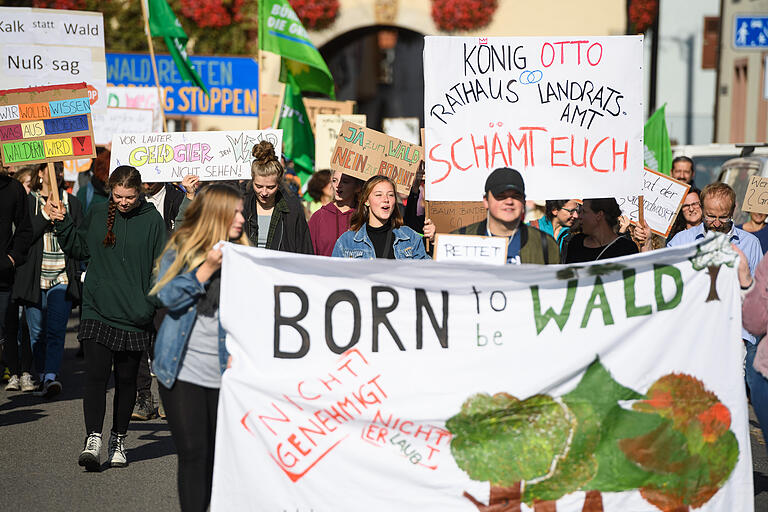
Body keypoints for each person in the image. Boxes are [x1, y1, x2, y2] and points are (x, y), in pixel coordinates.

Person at [50, 165, 166, 471]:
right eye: (118, 196)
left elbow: (161, 269)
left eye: (129, 196)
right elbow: (78, 247)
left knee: (126, 380)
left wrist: (148, 305)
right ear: (110, 191)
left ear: (140, 192)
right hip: (98, 308)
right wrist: (62, 223)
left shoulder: (153, 220)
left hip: (135, 314)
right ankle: (93, 439)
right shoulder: (100, 212)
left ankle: (119, 439)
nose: (124, 202)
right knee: (96, 376)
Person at [151, 184, 247, 511]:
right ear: (217, 213)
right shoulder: (181, 247)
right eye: (234, 211)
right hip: (182, 369)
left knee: (216, 459)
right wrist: (207, 268)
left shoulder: (245, 253)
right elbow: (167, 296)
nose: (241, 218)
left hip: (226, 374)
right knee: (193, 453)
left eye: (242, 211)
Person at [13, 162, 83, 398]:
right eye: (54, 168)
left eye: (61, 169)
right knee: (36, 332)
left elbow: (79, 239)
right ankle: (41, 373)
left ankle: (51, 376)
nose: (59, 173)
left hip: (61, 275)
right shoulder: (27, 201)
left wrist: (64, 219)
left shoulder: (71, 201)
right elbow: (22, 236)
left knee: (55, 330)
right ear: (41, 173)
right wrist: (44, 215)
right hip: (34, 276)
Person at [132, 179, 186, 421]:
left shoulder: (177, 197)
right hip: (139, 279)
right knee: (139, 340)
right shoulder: (133, 199)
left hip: (169, 280)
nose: (147, 182)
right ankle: (143, 397)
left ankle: (168, 396)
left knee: (165, 340)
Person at [447, 168, 559, 264]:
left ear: (523, 201)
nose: (509, 201)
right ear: (486, 201)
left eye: (516, 196)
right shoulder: (457, 241)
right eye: (501, 196)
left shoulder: (545, 245)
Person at [332, 175, 428, 259]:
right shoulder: (346, 242)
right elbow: (337, 277)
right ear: (366, 201)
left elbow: (426, 273)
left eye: (390, 195)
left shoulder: (410, 238)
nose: (386, 199)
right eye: (378, 195)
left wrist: (432, 242)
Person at [243, 141, 313, 254]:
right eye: (259, 186)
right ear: (252, 180)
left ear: (279, 183)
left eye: (270, 187)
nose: (264, 193)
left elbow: (304, 249)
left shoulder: (292, 209)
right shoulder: (242, 205)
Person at [0, 167, 32, 375]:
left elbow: (24, 229)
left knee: (6, 329)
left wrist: (11, 258)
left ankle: (11, 368)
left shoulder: (13, 188)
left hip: (3, 278)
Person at [562, 198, 639, 263]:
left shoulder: (627, 249)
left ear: (599, 215)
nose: (579, 216)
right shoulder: (576, 242)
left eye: (584, 212)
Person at [308, 170, 364, 256]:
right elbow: (308, 254)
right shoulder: (318, 217)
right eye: (334, 180)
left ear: (357, 187)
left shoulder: (364, 216)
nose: (338, 185)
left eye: (345, 181)